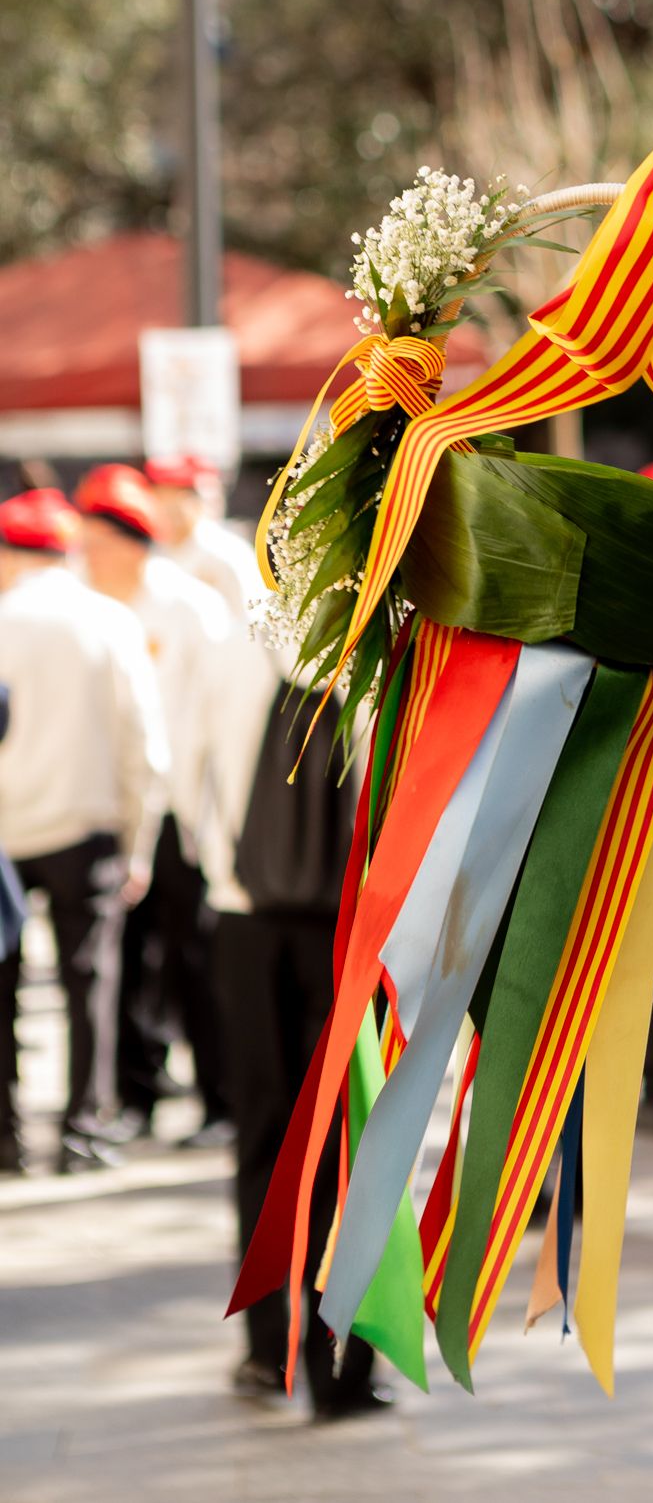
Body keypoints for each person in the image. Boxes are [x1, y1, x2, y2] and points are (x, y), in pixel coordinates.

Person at [200, 602, 386, 1415]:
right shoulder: (383, 648)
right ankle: (340, 1368)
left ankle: (261, 1347)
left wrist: (221, 869)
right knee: (348, 1144)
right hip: (350, 929)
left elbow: (190, 775)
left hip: (246, 921)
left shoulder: (230, 646)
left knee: (262, 1139)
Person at [0, 487, 167, 1172]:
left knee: (2, 987)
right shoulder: (108, 619)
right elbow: (145, 744)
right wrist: (139, 841)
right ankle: (82, 1132)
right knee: (89, 985)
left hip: (5, 836)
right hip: (87, 829)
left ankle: (6, 1137)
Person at [76, 463, 234, 1144]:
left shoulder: (189, 606)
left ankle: (221, 1100)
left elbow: (218, 713)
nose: (86, 555)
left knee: (194, 956)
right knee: (128, 958)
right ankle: (136, 1097)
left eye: (96, 542)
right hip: (115, 806)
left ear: (130, 541)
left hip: (182, 811)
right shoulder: (85, 605)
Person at [145, 455, 256, 628]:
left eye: (175, 504)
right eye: (160, 501)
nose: (167, 512)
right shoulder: (154, 553)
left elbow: (251, 619)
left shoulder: (227, 552)